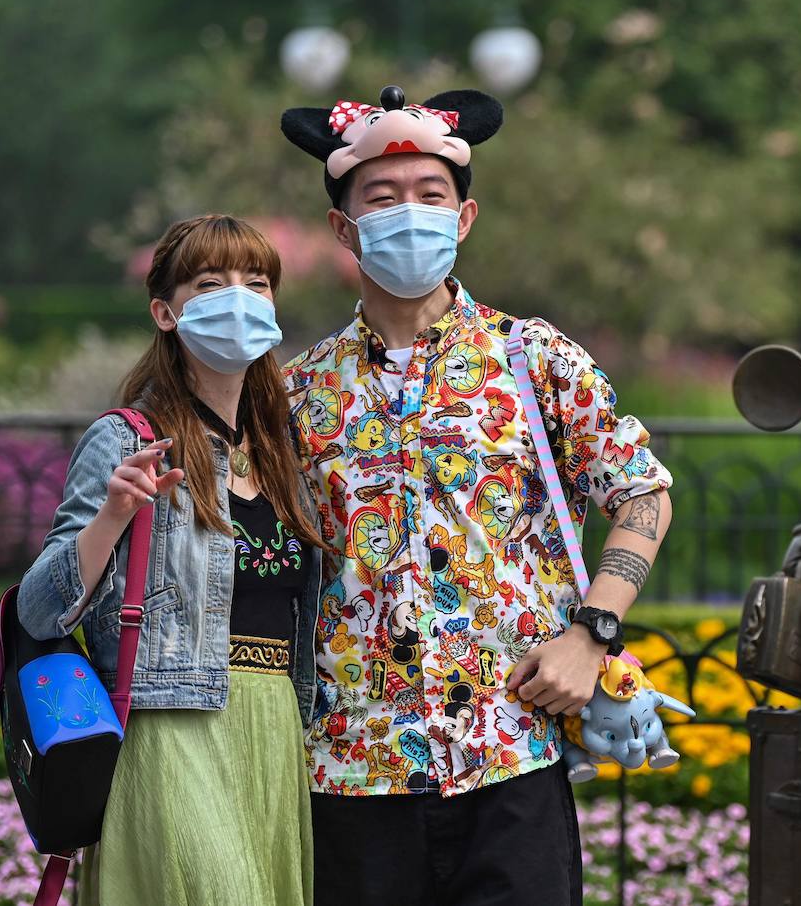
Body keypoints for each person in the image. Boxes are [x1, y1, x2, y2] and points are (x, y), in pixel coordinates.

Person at [280, 86, 674, 904]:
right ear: (343, 228)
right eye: (382, 199)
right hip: (350, 770)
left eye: (431, 196)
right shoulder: (294, 392)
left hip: (511, 757)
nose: (409, 213)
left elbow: (642, 496)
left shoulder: (534, 360)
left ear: (464, 219)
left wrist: (591, 634)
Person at [17, 215, 325, 906]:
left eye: (256, 283)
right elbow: (39, 608)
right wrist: (113, 516)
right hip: (170, 727)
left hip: (273, 723)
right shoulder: (125, 438)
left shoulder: (283, 453)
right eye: (211, 283)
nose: (239, 298)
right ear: (165, 311)